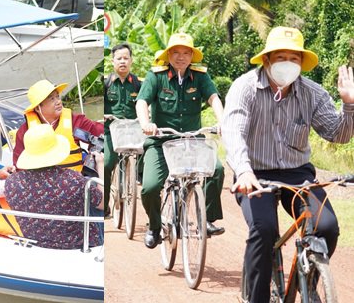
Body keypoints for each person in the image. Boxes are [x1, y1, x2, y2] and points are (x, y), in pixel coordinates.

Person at [222, 26, 354, 303]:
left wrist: (349, 104)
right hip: (254, 173)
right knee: (264, 229)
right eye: (280, 57)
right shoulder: (245, 88)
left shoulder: (312, 93)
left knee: (326, 226)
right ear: (267, 60)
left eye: (294, 59)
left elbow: (337, 134)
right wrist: (244, 171)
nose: (288, 64)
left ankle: (309, 281)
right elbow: (233, 132)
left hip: (297, 172)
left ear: (301, 63)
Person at [136, 33, 226, 249]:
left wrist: (223, 120)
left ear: (192, 56)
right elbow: (141, 101)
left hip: (191, 141)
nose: (181, 56)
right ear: (168, 55)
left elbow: (213, 98)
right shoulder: (155, 76)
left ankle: (208, 221)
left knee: (217, 169)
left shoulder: (200, 76)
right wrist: (145, 123)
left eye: (186, 52)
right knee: (150, 188)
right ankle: (155, 227)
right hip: (161, 142)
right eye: (176, 52)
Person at [5, 123, 103, 249]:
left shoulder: (11, 183)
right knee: (92, 190)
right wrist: (100, 165)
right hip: (77, 247)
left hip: (37, 245)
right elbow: (102, 203)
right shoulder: (73, 180)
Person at [12, 79, 103, 172]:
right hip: (41, 184)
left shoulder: (74, 121)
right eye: (52, 99)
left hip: (74, 181)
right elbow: (19, 164)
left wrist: (93, 155)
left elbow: (101, 134)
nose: (58, 102)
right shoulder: (26, 131)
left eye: (57, 97)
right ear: (38, 108)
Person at [104, 43, 141, 214]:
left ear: (131, 61)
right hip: (111, 131)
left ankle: (137, 178)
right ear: (113, 62)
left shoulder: (138, 84)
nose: (123, 61)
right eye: (119, 58)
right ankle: (104, 207)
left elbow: (145, 104)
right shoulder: (106, 83)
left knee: (147, 151)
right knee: (107, 163)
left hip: (132, 131)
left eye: (126, 58)